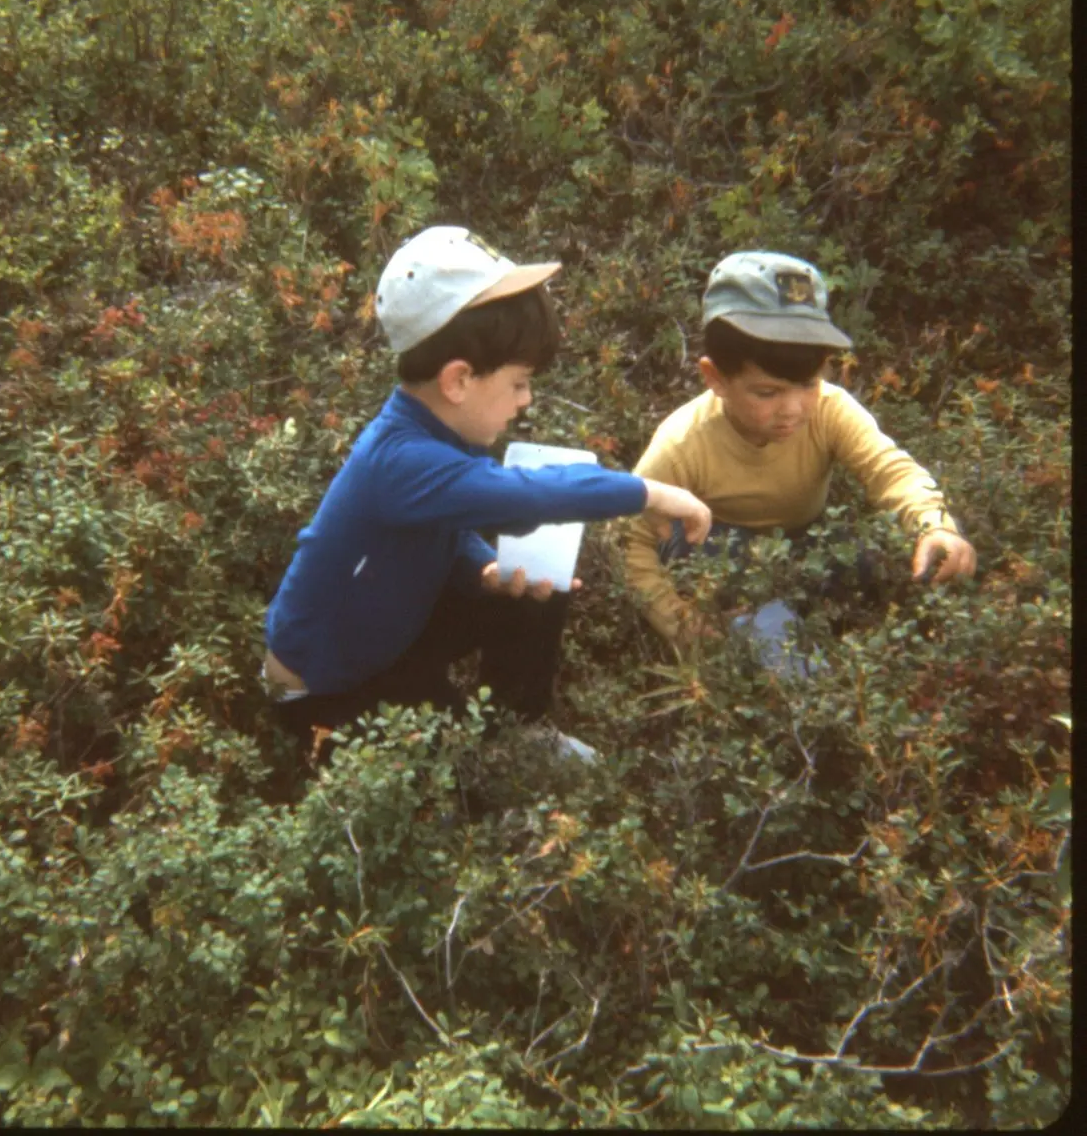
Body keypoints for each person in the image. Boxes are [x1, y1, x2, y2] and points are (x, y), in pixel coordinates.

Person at [263, 225, 709, 763]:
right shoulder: (399, 460)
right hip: (326, 687)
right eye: (518, 383)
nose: (526, 400)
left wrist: (483, 567)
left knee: (530, 580)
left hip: (385, 635)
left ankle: (522, 726)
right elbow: (526, 495)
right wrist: (647, 492)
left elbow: (439, 533)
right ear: (458, 381)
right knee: (457, 769)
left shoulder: (435, 430)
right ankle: (484, 743)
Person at [624, 250, 977, 653]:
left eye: (808, 383)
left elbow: (891, 472)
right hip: (714, 551)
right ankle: (767, 647)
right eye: (767, 392)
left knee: (875, 562)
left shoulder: (831, 409)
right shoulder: (682, 441)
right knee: (695, 548)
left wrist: (935, 525)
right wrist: (677, 619)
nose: (792, 409)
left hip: (802, 546)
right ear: (715, 377)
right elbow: (630, 539)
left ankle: (797, 639)